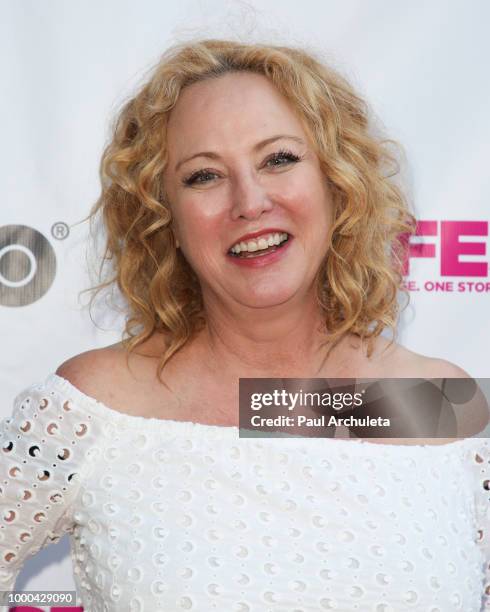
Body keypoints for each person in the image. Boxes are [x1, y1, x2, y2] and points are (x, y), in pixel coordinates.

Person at [1, 38, 489, 610]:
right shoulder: (96, 408)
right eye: (203, 176)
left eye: (279, 159)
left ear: (337, 184)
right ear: (166, 220)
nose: (250, 201)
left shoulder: (436, 402)